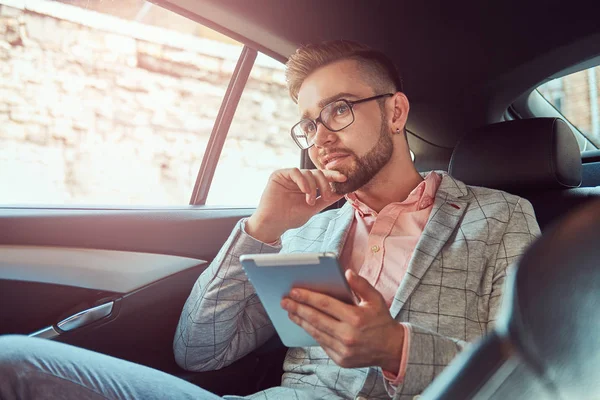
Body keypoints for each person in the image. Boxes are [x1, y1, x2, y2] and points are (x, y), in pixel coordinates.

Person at [0, 40, 540, 400]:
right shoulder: (309, 230)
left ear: (395, 113)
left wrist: (397, 347)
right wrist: (261, 228)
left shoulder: (501, 219)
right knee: (15, 362)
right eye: (308, 124)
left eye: (339, 109)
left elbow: (529, 375)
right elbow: (201, 351)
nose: (321, 137)